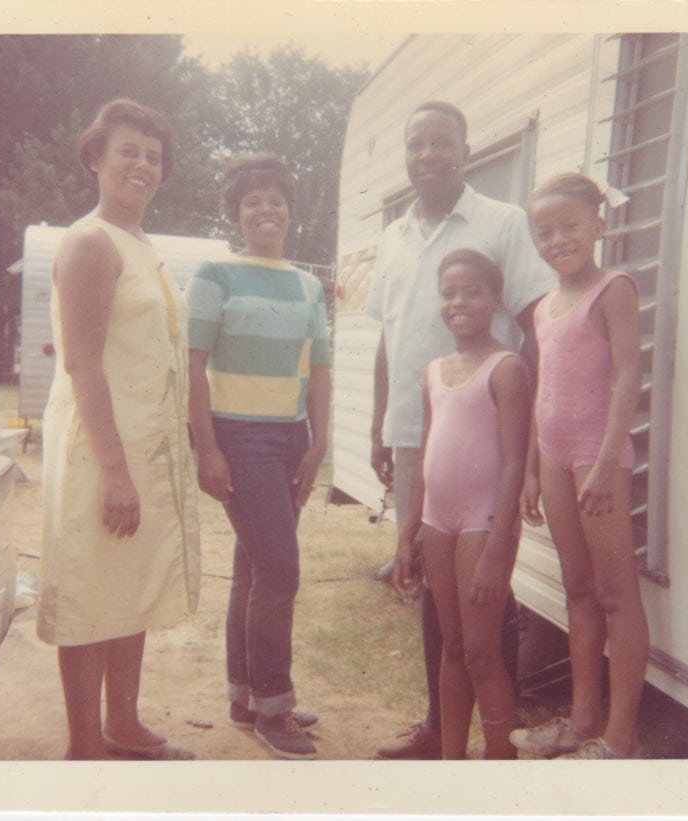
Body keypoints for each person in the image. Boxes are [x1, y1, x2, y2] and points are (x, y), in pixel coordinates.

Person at [367, 100, 556, 760]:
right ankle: (437, 730)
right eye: (415, 143)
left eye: (440, 142)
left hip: (487, 435)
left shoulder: (502, 222)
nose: (427, 155)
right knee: (435, 598)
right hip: (419, 430)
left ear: (466, 149)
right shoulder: (393, 235)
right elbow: (388, 337)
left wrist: (528, 447)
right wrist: (378, 423)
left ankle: (495, 747)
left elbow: (537, 327)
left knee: (485, 602)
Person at [37, 99, 200, 760]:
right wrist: (113, 468)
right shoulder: (88, 241)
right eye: (128, 151)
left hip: (143, 449)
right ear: (96, 159)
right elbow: (80, 362)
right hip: (99, 451)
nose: (142, 164)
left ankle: (124, 723)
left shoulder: (139, 243)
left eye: (153, 156)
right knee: (88, 590)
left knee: (126, 586)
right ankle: (86, 744)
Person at [186, 153, 331, 761]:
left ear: (290, 213)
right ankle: (276, 708)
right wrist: (207, 448)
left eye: (276, 200)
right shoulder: (214, 273)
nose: (266, 210)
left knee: (254, 566)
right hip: (238, 440)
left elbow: (320, 370)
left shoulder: (308, 284)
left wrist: (319, 443)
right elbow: (191, 365)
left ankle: (246, 697)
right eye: (253, 201)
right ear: (236, 213)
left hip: (290, 438)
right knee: (280, 571)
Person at [511, 172, 649, 759]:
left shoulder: (614, 287)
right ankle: (581, 718)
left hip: (600, 460)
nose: (558, 239)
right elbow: (544, 389)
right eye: (544, 231)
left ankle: (618, 739)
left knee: (616, 595)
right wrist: (532, 471)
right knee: (577, 589)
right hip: (555, 457)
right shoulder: (543, 307)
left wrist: (603, 461)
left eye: (570, 226)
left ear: (598, 224)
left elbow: (626, 375)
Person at [394, 249, 530, 759]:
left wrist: (500, 546)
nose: (458, 302)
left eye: (472, 291)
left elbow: (516, 463)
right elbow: (427, 454)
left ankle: (499, 760)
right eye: (449, 292)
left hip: (482, 525)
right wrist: (408, 532)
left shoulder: (506, 368)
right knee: (452, 649)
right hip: (437, 522)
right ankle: (452, 763)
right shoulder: (434, 371)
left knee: (479, 650)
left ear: (496, 300)